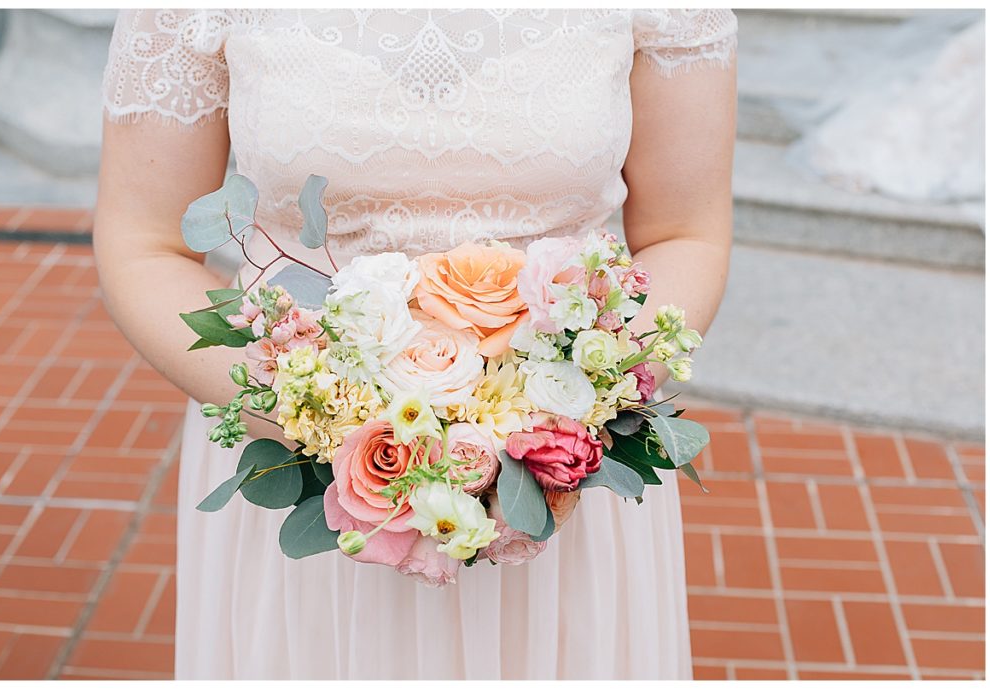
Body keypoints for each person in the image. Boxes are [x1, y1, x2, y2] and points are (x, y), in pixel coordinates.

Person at [93, 8, 737, 680]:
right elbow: (145, 242)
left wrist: (564, 406)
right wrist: (319, 418)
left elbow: (685, 231)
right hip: (306, 472)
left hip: (559, 481)